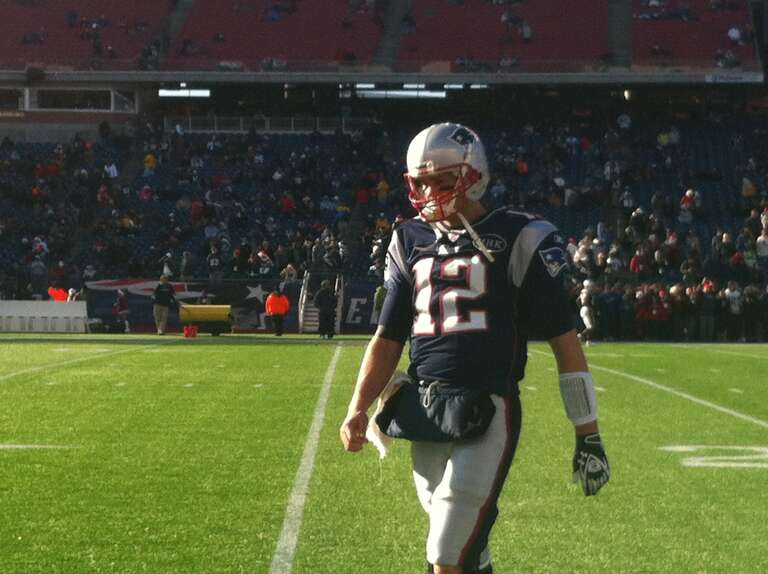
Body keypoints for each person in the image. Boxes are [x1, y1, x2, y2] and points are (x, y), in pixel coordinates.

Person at [339, 123, 610, 574]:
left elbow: (565, 342)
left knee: (445, 553)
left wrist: (588, 432)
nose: (430, 191)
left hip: (489, 406)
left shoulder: (522, 235)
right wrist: (357, 406)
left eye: (443, 180)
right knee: (465, 546)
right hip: (425, 408)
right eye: (421, 181)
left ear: (474, 174)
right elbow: (387, 339)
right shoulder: (409, 240)